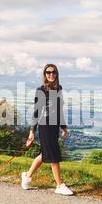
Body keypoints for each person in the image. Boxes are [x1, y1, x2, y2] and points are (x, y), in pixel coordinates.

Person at [21, 64, 74, 196]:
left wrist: (63, 127)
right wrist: (32, 131)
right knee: (54, 154)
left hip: (54, 126)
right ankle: (59, 185)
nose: (51, 74)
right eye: (48, 72)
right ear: (44, 74)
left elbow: (59, 110)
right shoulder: (41, 90)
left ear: (57, 74)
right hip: (44, 125)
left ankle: (27, 176)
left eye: (53, 72)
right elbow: (36, 112)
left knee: (45, 154)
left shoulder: (58, 89)